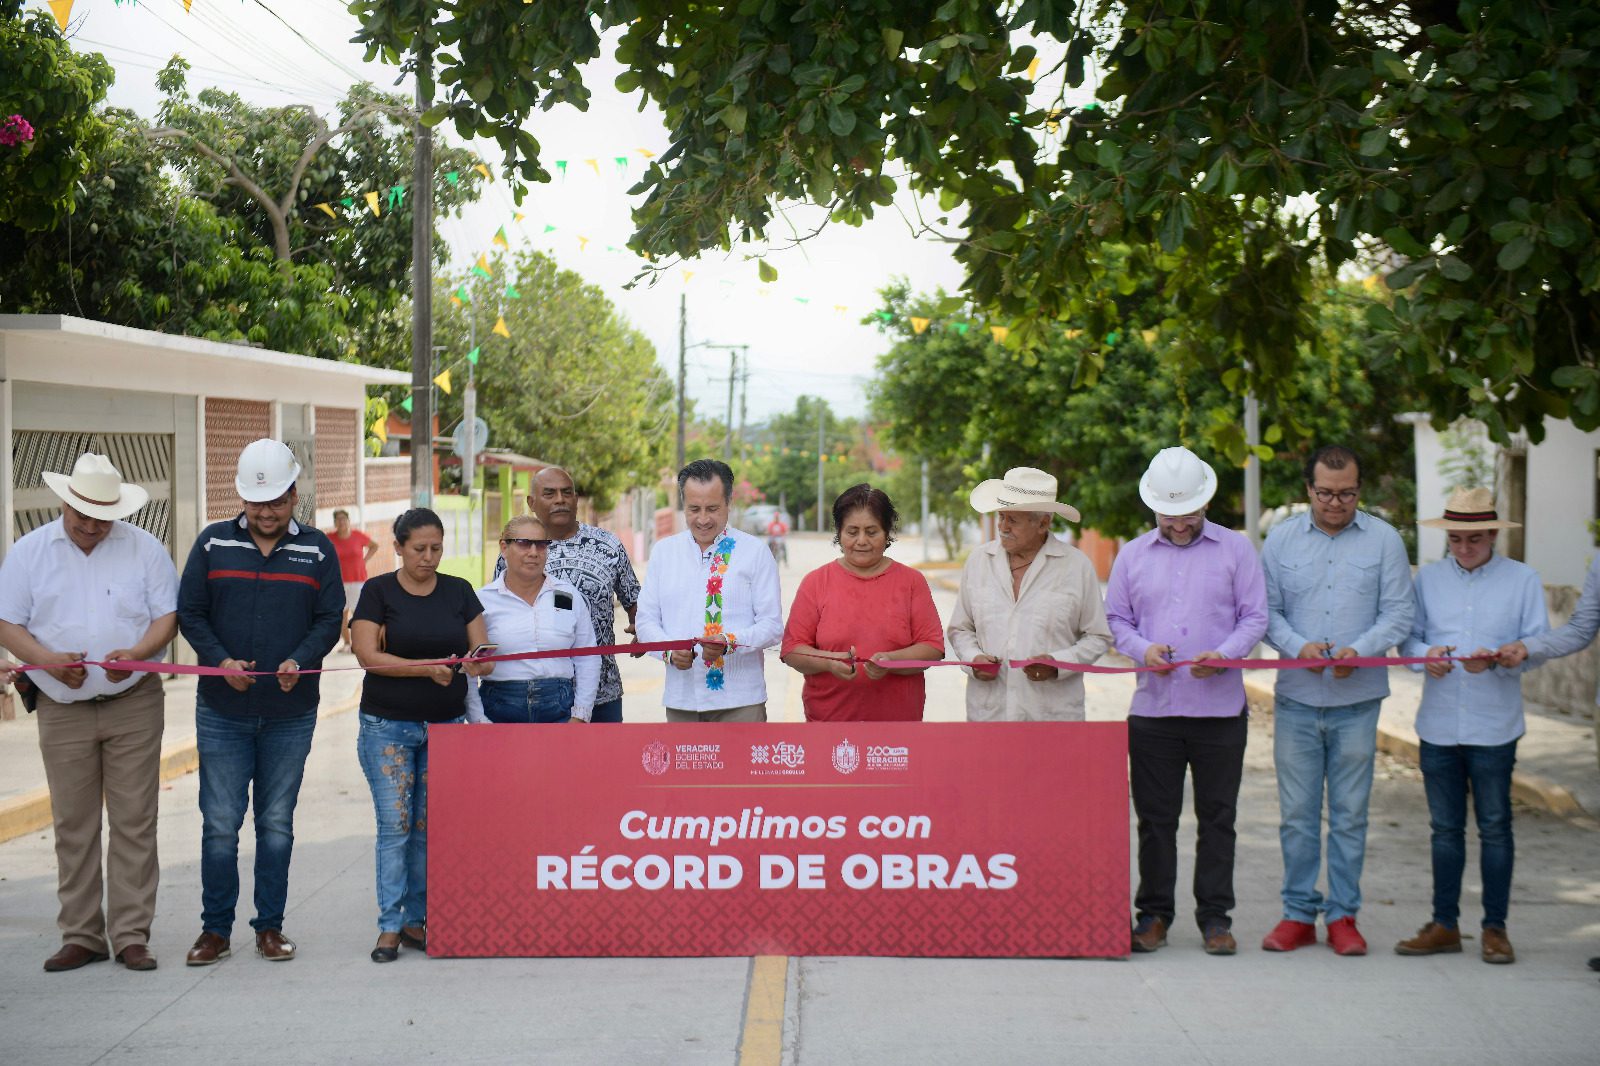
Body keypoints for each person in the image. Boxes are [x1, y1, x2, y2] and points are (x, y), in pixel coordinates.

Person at [0, 454, 178, 973]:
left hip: (134, 705)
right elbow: (8, 624)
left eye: (104, 517)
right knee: (73, 824)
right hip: (61, 707)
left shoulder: (145, 550)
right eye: (84, 516)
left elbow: (167, 617)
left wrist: (140, 652)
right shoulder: (29, 553)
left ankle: (130, 935)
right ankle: (81, 934)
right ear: (65, 503)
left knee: (134, 822)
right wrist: (47, 664)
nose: (93, 526)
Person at [176, 438, 343, 966]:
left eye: (276, 502)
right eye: (256, 503)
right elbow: (191, 613)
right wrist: (221, 661)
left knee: (276, 822)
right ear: (242, 499)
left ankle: (269, 926)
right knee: (221, 822)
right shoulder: (211, 546)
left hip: (291, 715)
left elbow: (328, 619)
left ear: (295, 495)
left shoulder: (318, 550)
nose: (266, 512)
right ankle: (215, 931)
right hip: (222, 711)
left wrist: (301, 658)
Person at [1104, 447, 1268, 957]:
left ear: (1206, 502)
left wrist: (1226, 654)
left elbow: (1255, 617)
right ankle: (1153, 914)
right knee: (1155, 821)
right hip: (1154, 709)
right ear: (1154, 507)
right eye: (1169, 515)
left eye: (1189, 513)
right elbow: (1117, 622)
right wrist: (1141, 649)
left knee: (1219, 818)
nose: (1179, 524)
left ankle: (1215, 918)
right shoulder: (1131, 555)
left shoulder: (1236, 550)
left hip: (1219, 710)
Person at [1259, 445, 1414, 956]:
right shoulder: (1279, 541)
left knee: (1349, 814)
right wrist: (1297, 647)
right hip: (1298, 699)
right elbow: (1267, 612)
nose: (1335, 503)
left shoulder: (1385, 541)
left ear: (1359, 490)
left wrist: (1363, 650)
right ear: (1308, 489)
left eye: (1347, 493)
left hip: (1358, 700)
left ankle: (1344, 915)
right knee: (1297, 815)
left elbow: (1397, 615)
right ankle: (1298, 914)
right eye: (1325, 493)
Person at [1391, 488, 1546, 966]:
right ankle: (1444, 923)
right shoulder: (1428, 580)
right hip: (1438, 724)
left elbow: (1537, 644)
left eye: (1474, 539)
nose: (1463, 548)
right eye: (1455, 539)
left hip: (1495, 724)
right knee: (1444, 829)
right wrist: (1425, 659)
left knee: (1496, 827)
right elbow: (1408, 641)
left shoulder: (1523, 579)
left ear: (1493, 535)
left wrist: (1505, 659)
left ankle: (1494, 929)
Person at [350, 508, 491, 962]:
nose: (428, 558)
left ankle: (417, 919)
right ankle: (389, 926)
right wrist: (426, 670)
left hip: (447, 728)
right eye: (418, 550)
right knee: (396, 826)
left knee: (428, 829)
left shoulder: (459, 591)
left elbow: (483, 653)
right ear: (397, 547)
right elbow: (367, 655)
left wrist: (477, 662)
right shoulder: (378, 591)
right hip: (388, 727)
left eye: (436, 549)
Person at [946, 467, 1111, 721]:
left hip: (1052, 719)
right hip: (989, 716)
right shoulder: (979, 562)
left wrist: (1058, 663)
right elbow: (960, 629)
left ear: (1043, 523)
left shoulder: (1076, 567)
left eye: (1013, 520)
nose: (1002, 526)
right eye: (1001, 516)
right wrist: (974, 659)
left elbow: (1098, 636)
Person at [636, 459, 783, 722]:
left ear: (729, 503)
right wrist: (668, 651)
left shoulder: (754, 552)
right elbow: (646, 620)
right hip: (682, 701)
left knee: (742, 765)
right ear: (683, 505)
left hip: (741, 703)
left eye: (713, 509)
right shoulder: (664, 552)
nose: (703, 519)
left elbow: (772, 626)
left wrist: (730, 642)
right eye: (694, 509)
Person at [781, 485, 944, 721]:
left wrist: (892, 662)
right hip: (829, 721)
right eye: (852, 531)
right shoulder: (816, 582)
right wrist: (829, 662)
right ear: (839, 532)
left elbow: (932, 647)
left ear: (887, 532)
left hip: (897, 728)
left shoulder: (911, 582)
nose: (861, 541)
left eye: (872, 531)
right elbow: (792, 649)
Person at [492, 466, 640, 722]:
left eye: (566, 492)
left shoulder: (608, 545)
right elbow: (500, 609)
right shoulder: (516, 551)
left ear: (575, 498)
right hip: (535, 699)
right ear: (532, 502)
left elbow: (634, 599)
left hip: (602, 695)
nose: (560, 499)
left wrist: (641, 628)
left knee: (604, 763)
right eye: (549, 493)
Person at [470, 514, 600, 724]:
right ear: (504, 547)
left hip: (559, 709)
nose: (533, 552)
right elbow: (469, 668)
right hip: (498, 710)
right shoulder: (483, 601)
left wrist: (580, 715)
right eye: (523, 544)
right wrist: (478, 719)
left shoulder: (566, 595)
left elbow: (588, 657)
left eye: (541, 545)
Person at [328, 508, 377, 653]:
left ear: (348, 521)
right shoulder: (329, 538)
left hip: (358, 580)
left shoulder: (357, 535)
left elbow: (374, 546)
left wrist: (364, 560)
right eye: (338, 519)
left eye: (344, 519)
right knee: (342, 613)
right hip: (339, 582)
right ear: (335, 522)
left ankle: (360, 643)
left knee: (359, 613)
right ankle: (347, 644)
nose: (341, 522)